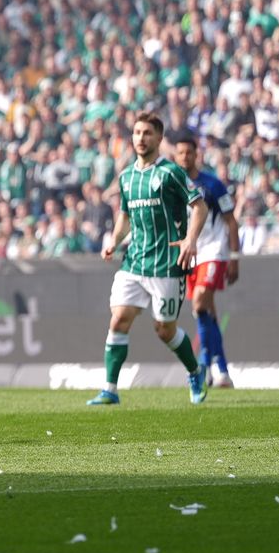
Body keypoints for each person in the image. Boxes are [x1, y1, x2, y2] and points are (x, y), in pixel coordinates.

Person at [88, 113, 208, 407]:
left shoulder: (171, 173)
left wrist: (191, 240)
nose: (141, 138)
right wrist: (114, 243)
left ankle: (195, 371)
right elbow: (125, 217)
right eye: (137, 133)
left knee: (164, 329)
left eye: (147, 133)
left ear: (158, 138)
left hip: (167, 264)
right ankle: (110, 390)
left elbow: (200, 207)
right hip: (135, 262)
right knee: (119, 318)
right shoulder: (126, 177)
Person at [169, 129, 239, 388]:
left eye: (189, 152)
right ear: (175, 156)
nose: (185, 157)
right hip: (189, 255)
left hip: (213, 251)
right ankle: (221, 370)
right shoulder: (173, 184)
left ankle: (204, 364)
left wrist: (234, 257)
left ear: (197, 154)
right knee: (206, 311)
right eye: (180, 153)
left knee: (199, 303)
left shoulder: (213, 184)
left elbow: (232, 222)